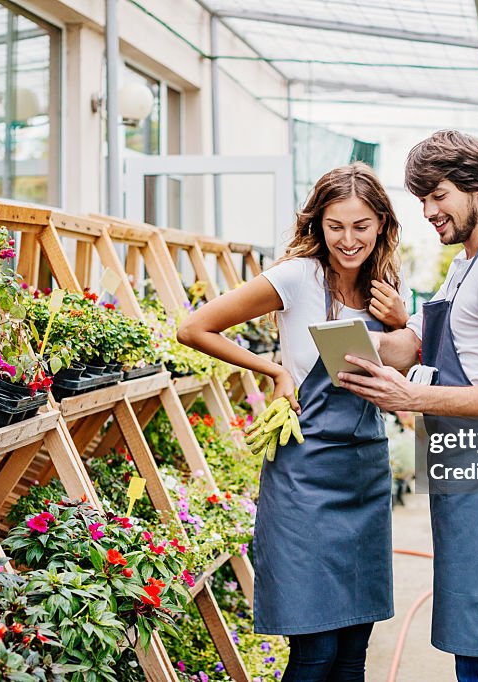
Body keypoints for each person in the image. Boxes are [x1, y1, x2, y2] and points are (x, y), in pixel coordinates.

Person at [177, 162, 410, 681]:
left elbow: (410, 364)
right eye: (336, 226)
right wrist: (274, 368)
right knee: (317, 652)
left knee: (353, 650)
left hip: (365, 473)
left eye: (361, 226)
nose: (348, 240)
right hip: (306, 476)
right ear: (317, 224)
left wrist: (402, 321)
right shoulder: (295, 276)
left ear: (382, 226)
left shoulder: (387, 287)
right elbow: (194, 328)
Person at [338, 131, 478, 681]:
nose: (429, 211)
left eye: (438, 195)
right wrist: (359, 340)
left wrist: (413, 396)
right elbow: (421, 344)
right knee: (469, 642)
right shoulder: (468, 262)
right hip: (466, 474)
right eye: (422, 199)